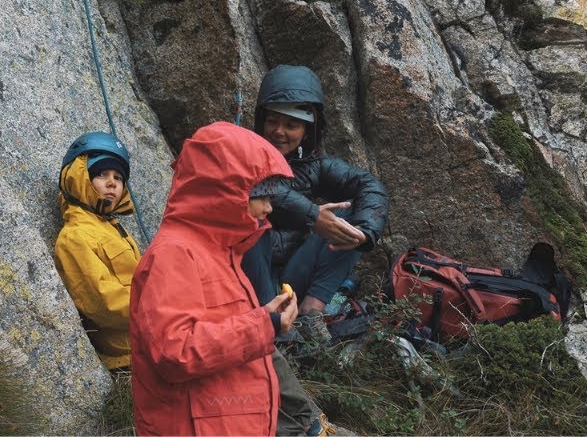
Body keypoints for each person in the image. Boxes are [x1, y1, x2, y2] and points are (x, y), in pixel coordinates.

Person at [130, 122, 299, 436]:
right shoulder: (175, 253)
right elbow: (175, 352)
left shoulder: (224, 253)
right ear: (224, 191)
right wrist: (265, 324)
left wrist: (268, 317)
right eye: (260, 194)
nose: (268, 207)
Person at [242, 64, 389, 345]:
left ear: (308, 130)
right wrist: (313, 215)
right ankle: (270, 325)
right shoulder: (243, 152)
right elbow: (266, 187)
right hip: (247, 275)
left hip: (290, 275)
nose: (279, 132)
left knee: (347, 216)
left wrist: (365, 231)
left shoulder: (314, 165)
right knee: (255, 227)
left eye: (291, 125)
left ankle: (311, 312)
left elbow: (369, 185)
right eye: (272, 121)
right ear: (261, 120)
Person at [53, 132, 141, 370]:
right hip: (130, 352)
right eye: (101, 174)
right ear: (81, 177)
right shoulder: (74, 237)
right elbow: (102, 303)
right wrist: (159, 305)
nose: (112, 182)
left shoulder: (115, 230)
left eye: (119, 177)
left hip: (151, 333)